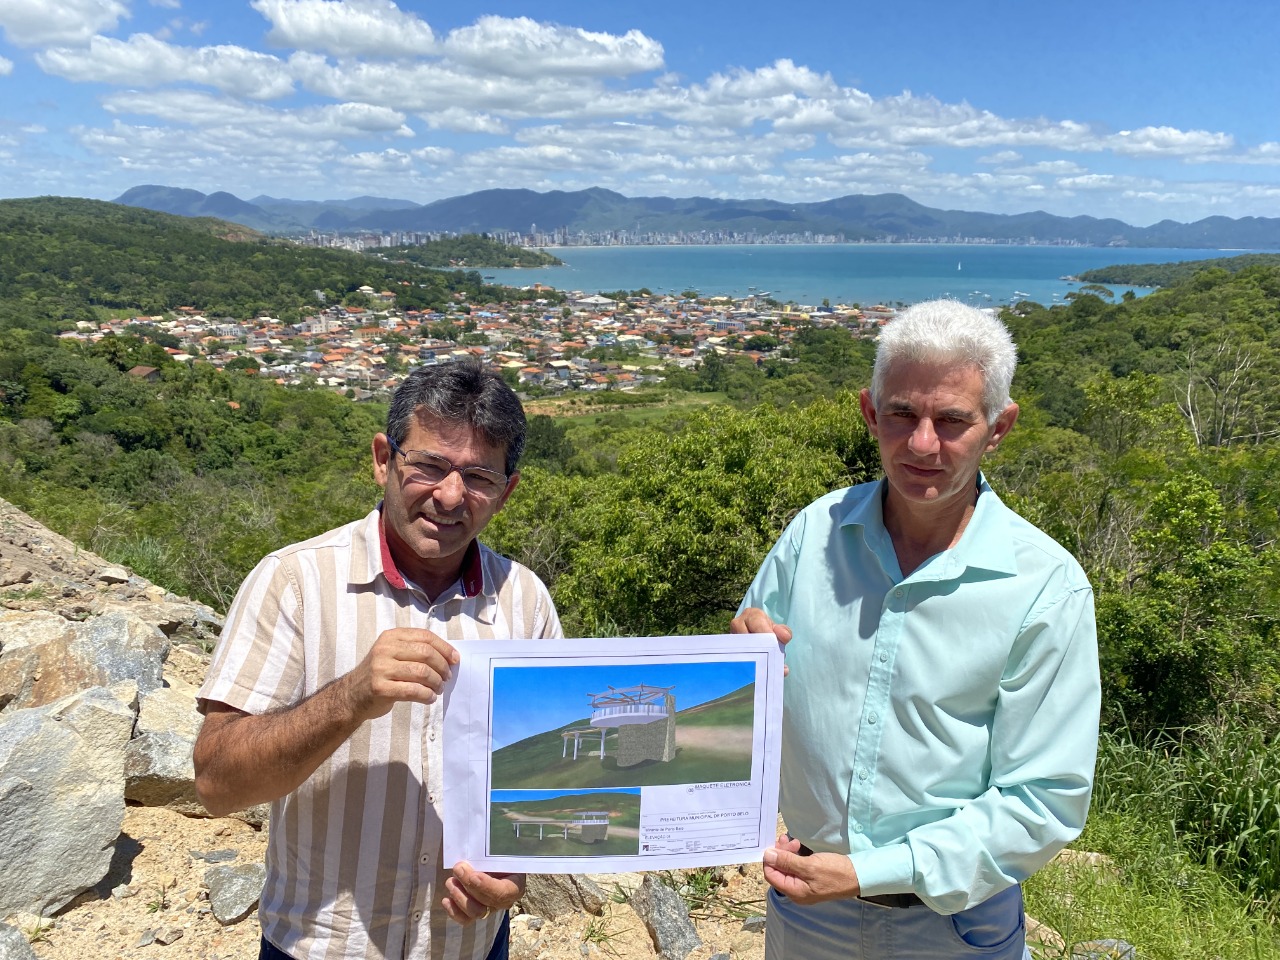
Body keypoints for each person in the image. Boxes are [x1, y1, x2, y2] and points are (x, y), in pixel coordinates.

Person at [732, 300, 1100, 959]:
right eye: (902, 413)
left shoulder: (1045, 585)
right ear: (871, 413)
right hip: (807, 909)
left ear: (999, 427)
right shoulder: (813, 536)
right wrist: (740, 663)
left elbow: (1041, 801)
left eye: (952, 420)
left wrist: (868, 871)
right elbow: (746, 706)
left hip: (957, 925)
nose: (922, 443)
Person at [193, 360, 561, 960]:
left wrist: (512, 873)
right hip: (320, 946)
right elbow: (216, 784)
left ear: (506, 490)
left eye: (477, 477)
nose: (449, 495)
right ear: (383, 460)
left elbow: (543, 778)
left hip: (468, 945)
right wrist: (350, 697)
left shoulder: (526, 601)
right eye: (429, 466)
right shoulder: (295, 582)